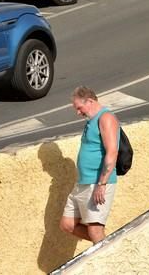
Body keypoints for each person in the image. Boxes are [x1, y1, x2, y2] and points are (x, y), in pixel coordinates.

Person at [60, 86, 119, 244]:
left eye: (79, 108)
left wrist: (102, 183)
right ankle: (105, 243)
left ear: (91, 101)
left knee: (94, 229)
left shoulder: (105, 118)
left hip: (97, 182)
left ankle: (105, 255)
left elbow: (112, 151)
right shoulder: (91, 120)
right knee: (67, 224)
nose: (78, 112)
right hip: (83, 182)